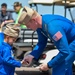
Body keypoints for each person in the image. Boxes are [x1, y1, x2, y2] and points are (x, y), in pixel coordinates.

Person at [18, 6, 75, 75]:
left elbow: (64, 52)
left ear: (33, 20)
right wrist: (31, 55)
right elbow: (42, 43)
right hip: (69, 42)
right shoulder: (40, 26)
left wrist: (48, 65)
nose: (27, 27)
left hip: (72, 42)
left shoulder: (53, 27)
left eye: (27, 25)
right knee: (65, 67)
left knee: (59, 66)